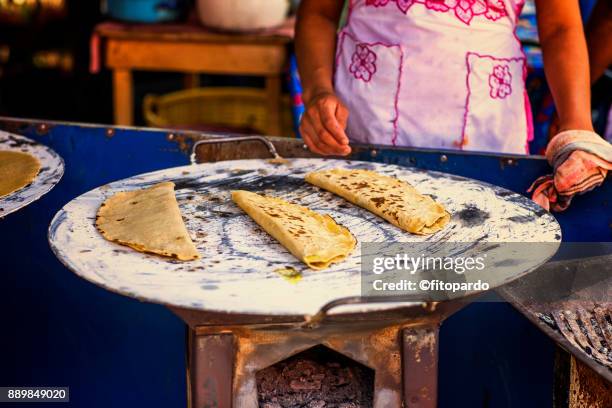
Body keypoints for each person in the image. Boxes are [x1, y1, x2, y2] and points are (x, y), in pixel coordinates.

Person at [296, 0, 594, 156]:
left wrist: (577, 125)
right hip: (367, 128)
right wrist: (318, 90)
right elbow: (319, 13)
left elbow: (560, 29)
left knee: (479, 260)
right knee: (369, 257)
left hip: (487, 133)